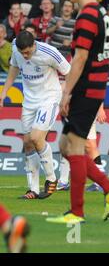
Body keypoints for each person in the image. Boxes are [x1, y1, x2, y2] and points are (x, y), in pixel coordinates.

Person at [46, 0, 109, 224]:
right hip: (94, 87)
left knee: (75, 146)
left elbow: (80, 58)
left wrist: (66, 93)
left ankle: (77, 213)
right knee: (66, 146)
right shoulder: (99, 12)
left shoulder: (87, 15)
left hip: (86, 89)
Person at [0, 31, 71, 199]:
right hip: (29, 101)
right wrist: (4, 91)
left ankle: (51, 179)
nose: (25, 55)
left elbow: (70, 73)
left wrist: (65, 96)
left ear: (34, 45)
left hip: (49, 98)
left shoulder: (50, 53)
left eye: (28, 52)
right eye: (22, 52)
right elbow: (14, 68)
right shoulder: (17, 48)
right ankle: (33, 189)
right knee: (28, 143)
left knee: (36, 137)